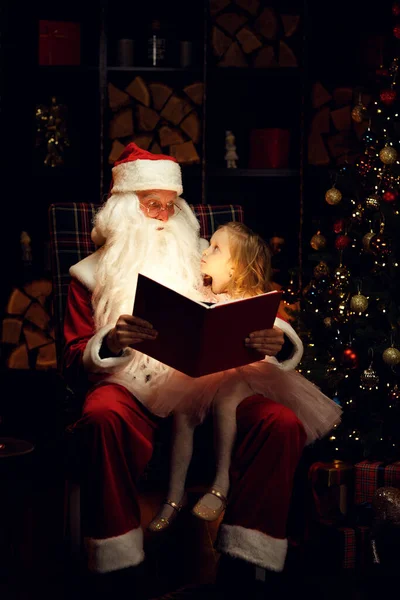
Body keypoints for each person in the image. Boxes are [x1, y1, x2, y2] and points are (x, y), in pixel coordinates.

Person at [63, 143, 305, 597]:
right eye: (150, 204)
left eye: (170, 206)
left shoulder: (207, 253)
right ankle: (119, 564)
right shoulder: (89, 274)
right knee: (101, 415)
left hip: (215, 386)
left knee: (281, 422)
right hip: (130, 385)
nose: (160, 215)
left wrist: (278, 338)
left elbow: (254, 297)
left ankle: (245, 559)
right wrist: (111, 341)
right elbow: (74, 353)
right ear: (120, 208)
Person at [147, 222, 342, 532]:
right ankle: (173, 495)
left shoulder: (254, 300)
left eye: (215, 249)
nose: (204, 252)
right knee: (183, 412)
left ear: (236, 269)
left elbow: (277, 332)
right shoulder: (201, 291)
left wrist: (274, 337)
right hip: (201, 375)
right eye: (208, 245)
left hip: (246, 375)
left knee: (229, 394)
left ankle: (222, 481)